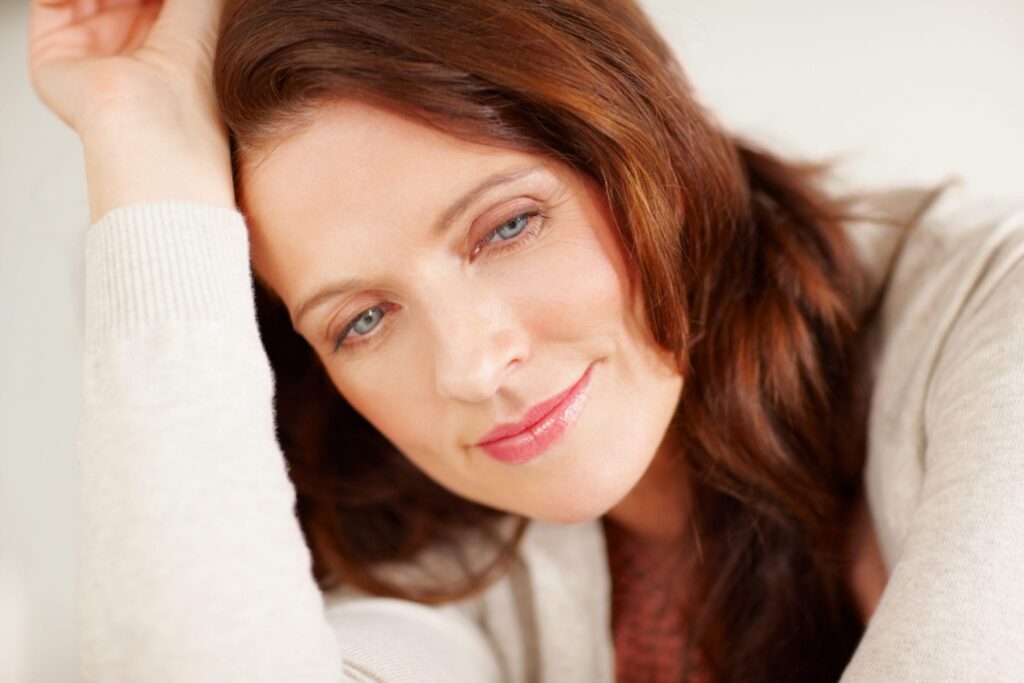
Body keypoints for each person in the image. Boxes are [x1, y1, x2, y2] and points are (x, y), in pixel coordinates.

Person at [28, 0, 1024, 680]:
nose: (468, 366)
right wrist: (139, 138)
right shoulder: (447, 585)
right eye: (362, 319)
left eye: (506, 226)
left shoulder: (993, 307)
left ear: (649, 147)